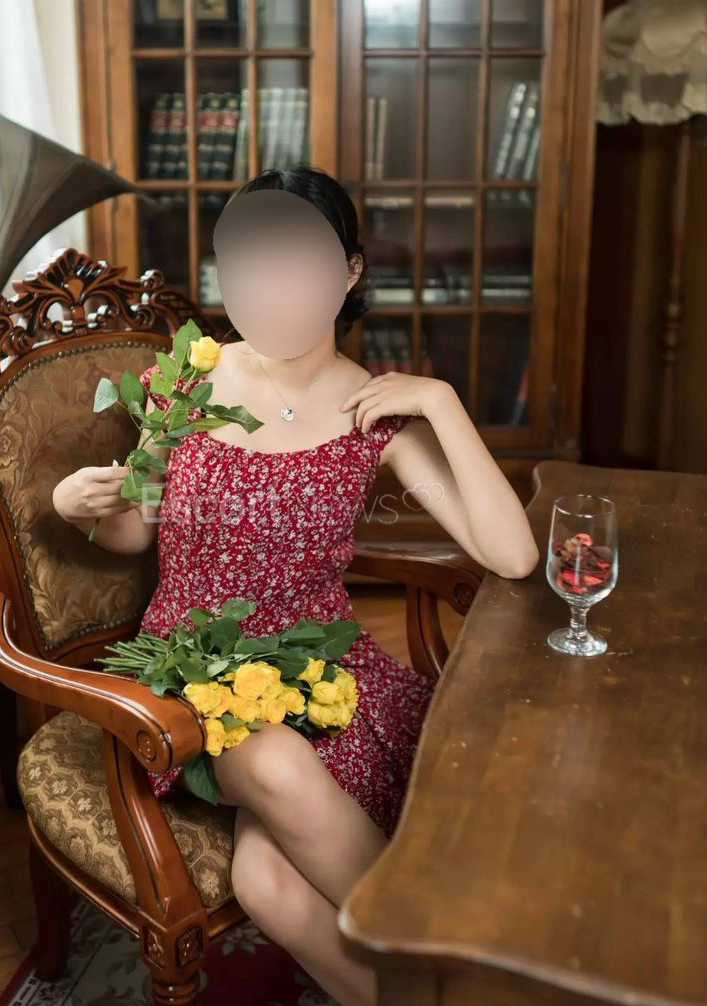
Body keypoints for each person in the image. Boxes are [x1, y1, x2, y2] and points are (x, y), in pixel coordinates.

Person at [52, 165, 539, 1006]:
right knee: (274, 761)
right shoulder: (189, 379)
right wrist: (76, 504)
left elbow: (512, 554)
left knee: (268, 883)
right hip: (192, 672)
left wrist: (442, 402)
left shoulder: (375, 413)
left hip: (321, 673)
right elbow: (136, 528)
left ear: (348, 273)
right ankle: (452, 959)